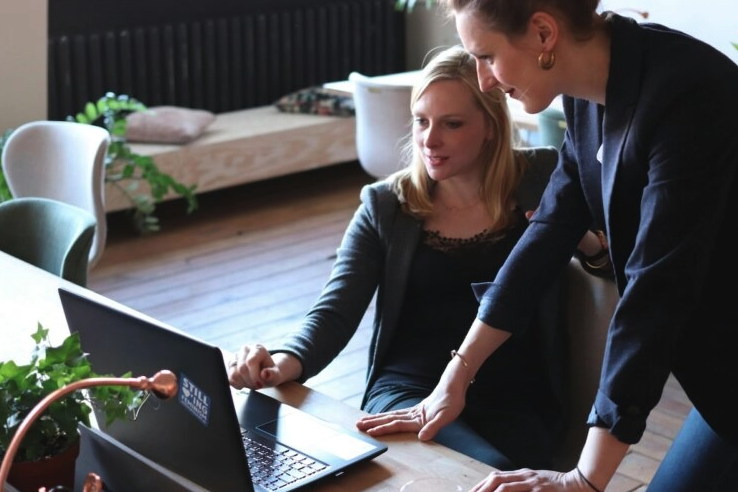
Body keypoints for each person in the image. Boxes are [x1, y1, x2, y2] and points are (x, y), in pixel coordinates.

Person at [355, 1, 738, 491]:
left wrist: (585, 479)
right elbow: (548, 231)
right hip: (717, 371)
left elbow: (655, 291)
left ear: (543, 33)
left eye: (486, 56)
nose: (484, 80)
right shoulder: (588, 93)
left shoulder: (686, 93)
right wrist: (454, 379)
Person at [228, 44, 606, 470]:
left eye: (452, 124)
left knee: (490, 469)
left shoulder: (543, 176)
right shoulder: (387, 205)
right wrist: (281, 363)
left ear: (490, 126)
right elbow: (334, 311)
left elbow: (612, 266)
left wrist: (583, 241)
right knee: (476, 469)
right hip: (409, 391)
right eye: (421, 121)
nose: (430, 140)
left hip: (515, 397)